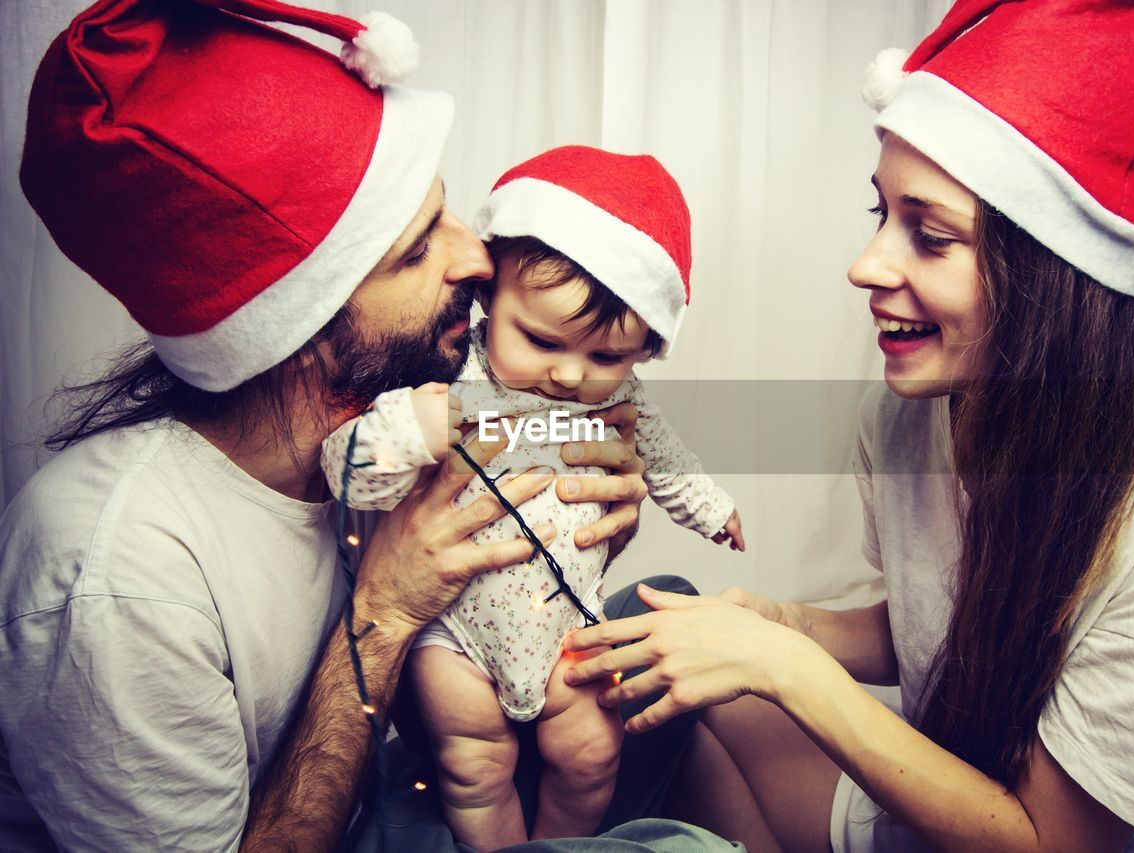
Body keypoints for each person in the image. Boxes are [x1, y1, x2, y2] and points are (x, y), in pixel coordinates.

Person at [0, 1, 738, 851]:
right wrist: (386, 606)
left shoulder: (383, 417)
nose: (477, 260)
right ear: (300, 329)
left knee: (674, 634)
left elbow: (546, 487)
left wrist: (592, 505)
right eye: (420, 248)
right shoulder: (119, 577)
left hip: (400, 768)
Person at [563, 0, 1134, 850]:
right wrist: (779, 624)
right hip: (934, 803)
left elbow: (1051, 838)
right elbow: (929, 626)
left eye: (930, 236)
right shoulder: (909, 418)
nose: (867, 265)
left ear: (1058, 276)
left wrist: (786, 667)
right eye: (882, 215)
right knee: (681, 710)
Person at [320, 145, 745, 849]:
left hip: (563, 627)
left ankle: (555, 846)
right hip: (454, 633)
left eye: (607, 357)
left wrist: (711, 506)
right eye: (542, 339)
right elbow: (347, 468)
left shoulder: (623, 400)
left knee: (590, 756)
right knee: (475, 766)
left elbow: (668, 461)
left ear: (646, 350)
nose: (572, 374)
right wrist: (416, 428)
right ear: (492, 295)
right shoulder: (450, 373)